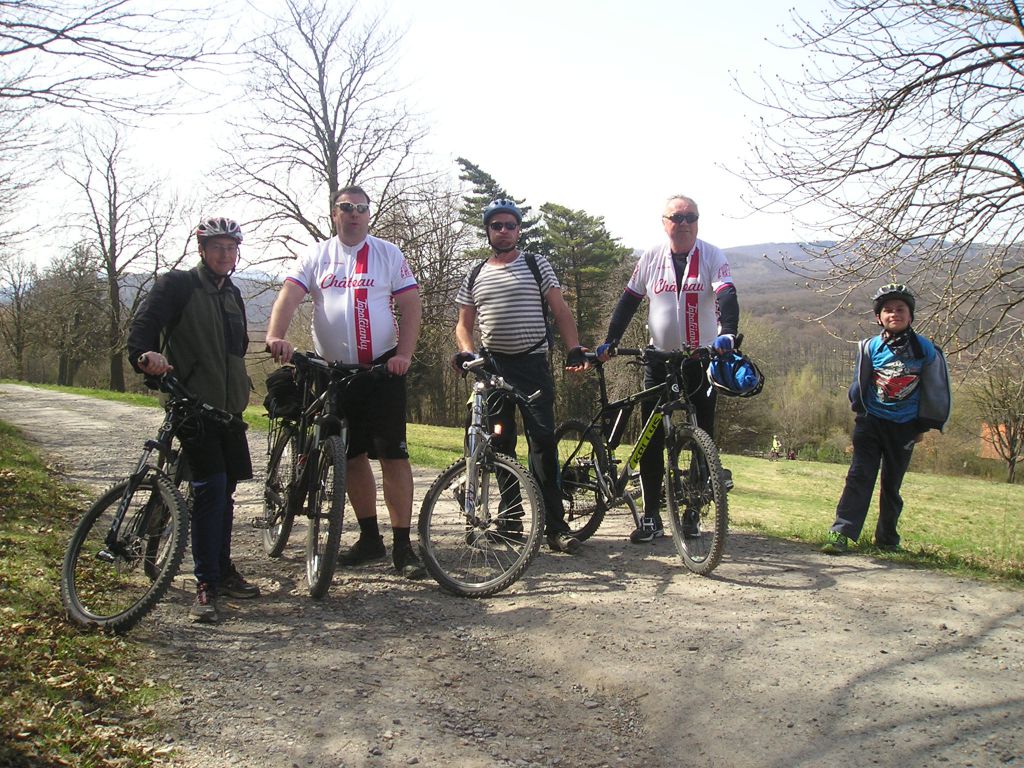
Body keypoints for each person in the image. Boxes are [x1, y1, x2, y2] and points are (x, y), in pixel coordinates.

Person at [265, 185, 426, 579]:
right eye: (346, 208)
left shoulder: (388, 253)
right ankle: (370, 538)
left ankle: (403, 546)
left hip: (383, 369)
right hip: (332, 372)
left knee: (393, 456)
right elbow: (289, 295)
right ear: (334, 214)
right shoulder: (316, 255)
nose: (354, 214)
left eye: (361, 208)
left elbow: (411, 306)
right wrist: (275, 335)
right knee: (350, 456)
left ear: (369, 214)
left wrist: (404, 355)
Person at [128, 216, 260, 623]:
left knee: (227, 490)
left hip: (228, 410)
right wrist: (144, 355)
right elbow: (144, 327)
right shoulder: (178, 285)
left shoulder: (233, 294)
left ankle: (221, 568)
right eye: (217, 247)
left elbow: (237, 348)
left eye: (231, 248)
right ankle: (206, 583)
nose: (225, 254)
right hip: (191, 403)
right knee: (211, 488)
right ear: (202, 250)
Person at [596, 195, 740, 543]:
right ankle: (651, 516)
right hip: (658, 360)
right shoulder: (651, 257)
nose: (684, 223)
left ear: (698, 222)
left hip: (700, 360)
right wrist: (611, 340)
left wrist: (729, 333)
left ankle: (693, 512)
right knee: (651, 438)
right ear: (664, 223)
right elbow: (629, 301)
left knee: (702, 436)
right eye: (677, 217)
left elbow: (726, 295)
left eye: (691, 217)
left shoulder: (712, 255)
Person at [453, 198, 589, 554]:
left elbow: (560, 309)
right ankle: (510, 519)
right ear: (488, 231)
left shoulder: (535, 264)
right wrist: (468, 352)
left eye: (510, 225)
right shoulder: (474, 274)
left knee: (542, 444)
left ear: (518, 230)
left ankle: (555, 527)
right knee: (499, 443)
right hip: (492, 367)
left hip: (532, 367)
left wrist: (574, 348)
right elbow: (464, 325)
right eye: (496, 225)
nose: (503, 231)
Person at [822, 283, 951, 554]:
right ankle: (841, 533)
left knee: (892, 485)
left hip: (904, 426)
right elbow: (860, 383)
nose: (894, 314)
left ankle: (887, 539)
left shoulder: (925, 349)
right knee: (859, 477)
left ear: (910, 315)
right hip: (871, 422)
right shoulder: (871, 347)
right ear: (878, 317)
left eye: (900, 309)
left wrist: (922, 426)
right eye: (888, 310)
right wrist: (859, 411)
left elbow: (932, 388)